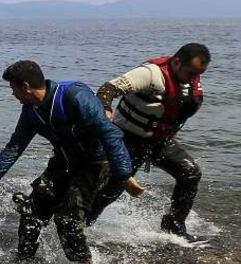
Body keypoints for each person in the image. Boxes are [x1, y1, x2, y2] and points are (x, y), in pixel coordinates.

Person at [0, 61, 133, 264]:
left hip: (96, 162)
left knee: (67, 219)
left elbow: (110, 133)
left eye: (13, 88)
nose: (12, 94)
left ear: (25, 86)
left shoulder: (74, 96)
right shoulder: (31, 111)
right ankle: (23, 261)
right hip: (63, 162)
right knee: (31, 211)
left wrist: (124, 175)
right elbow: (15, 147)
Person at [89, 43, 210, 241]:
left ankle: (173, 225)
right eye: (190, 72)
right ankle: (82, 223)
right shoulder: (151, 74)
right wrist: (105, 110)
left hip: (160, 141)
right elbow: (107, 89)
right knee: (113, 188)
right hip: (126, 138)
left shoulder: (190, 82)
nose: (193, 78)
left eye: (198, 74)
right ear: (177, 62)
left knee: (190, 174)